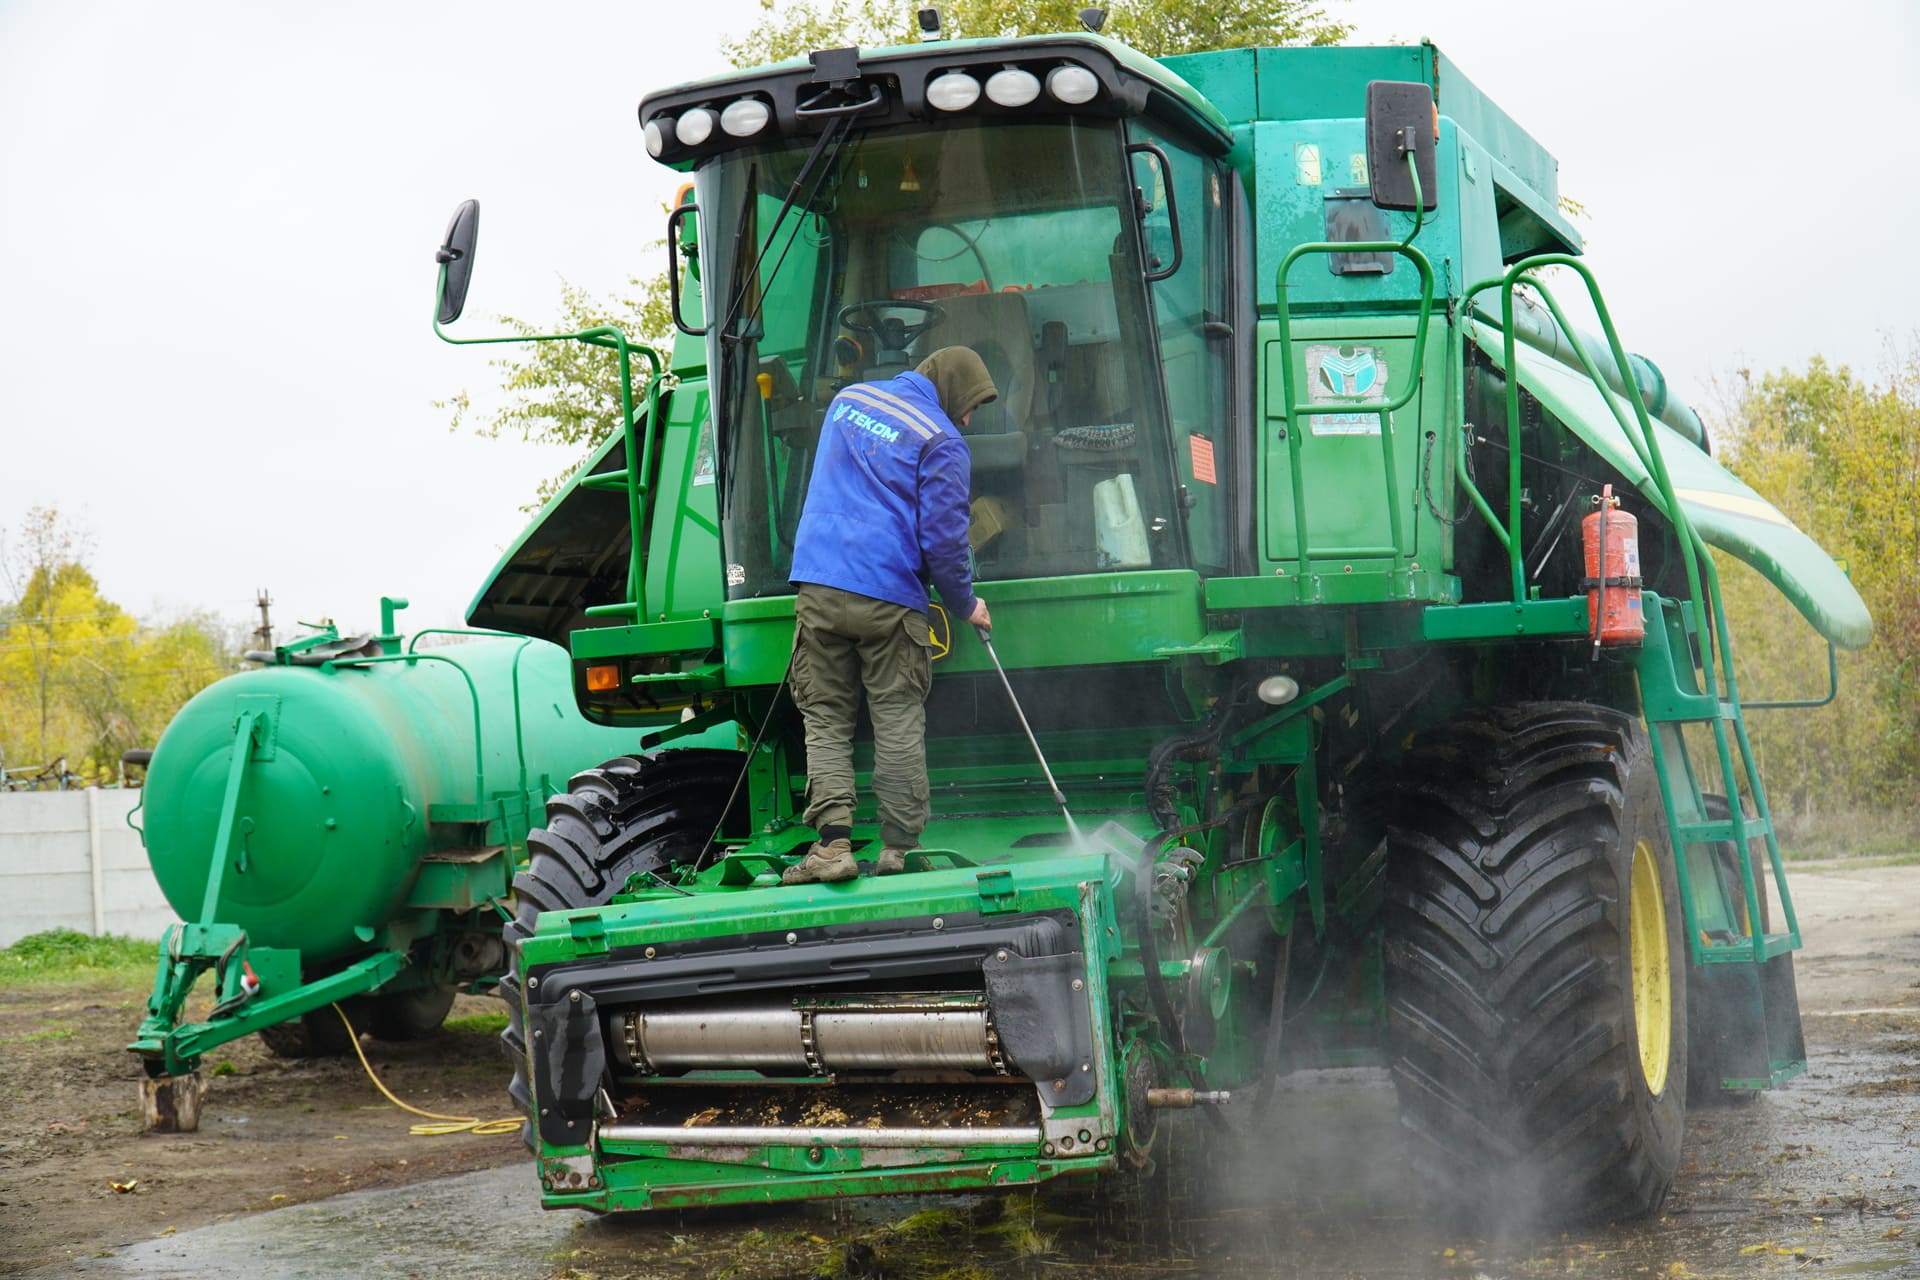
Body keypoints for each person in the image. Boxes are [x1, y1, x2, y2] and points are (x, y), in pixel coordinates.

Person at [782, 346, 997, 884]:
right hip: (888, 593)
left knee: (826, 718)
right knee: (896, 714)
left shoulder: (847, 401)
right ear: (949, 389)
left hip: (820, 583)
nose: (968, 418)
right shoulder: (943, 442)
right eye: (969, 405)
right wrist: (965, 603)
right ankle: (898, 849)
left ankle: (832, 846)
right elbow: (944, 541)